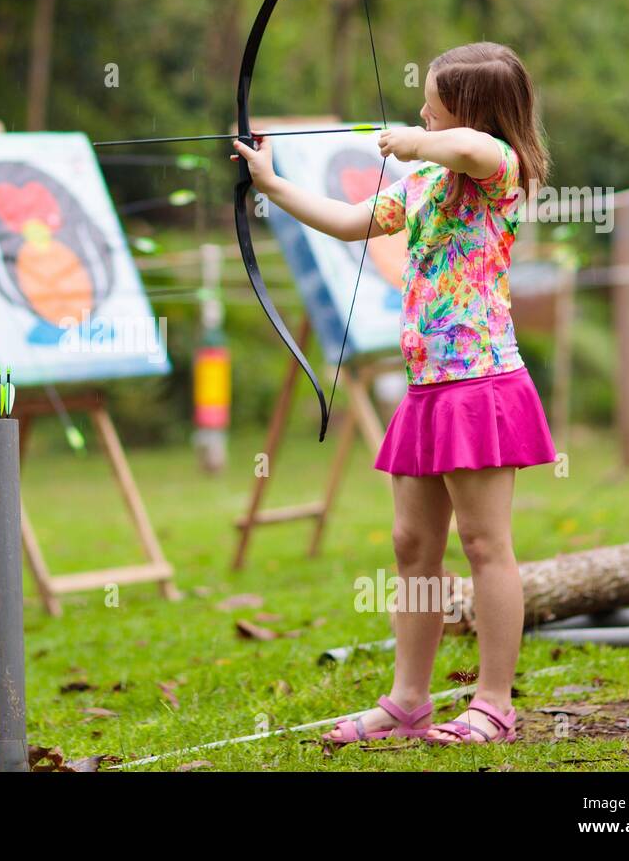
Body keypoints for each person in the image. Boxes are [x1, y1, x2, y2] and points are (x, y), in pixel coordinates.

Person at [233, 41, 555, 745]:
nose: (419, 113)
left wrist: (414, 142)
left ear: (466, 109)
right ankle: (409, 700)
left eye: (430, 103)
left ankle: (494, 703)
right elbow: (348, 221)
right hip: (427, 389)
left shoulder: (501, 170)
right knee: (412, 544)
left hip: (478, 384)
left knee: (484, 542)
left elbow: (473, 148)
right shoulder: (420, 187)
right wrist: (270, 182)